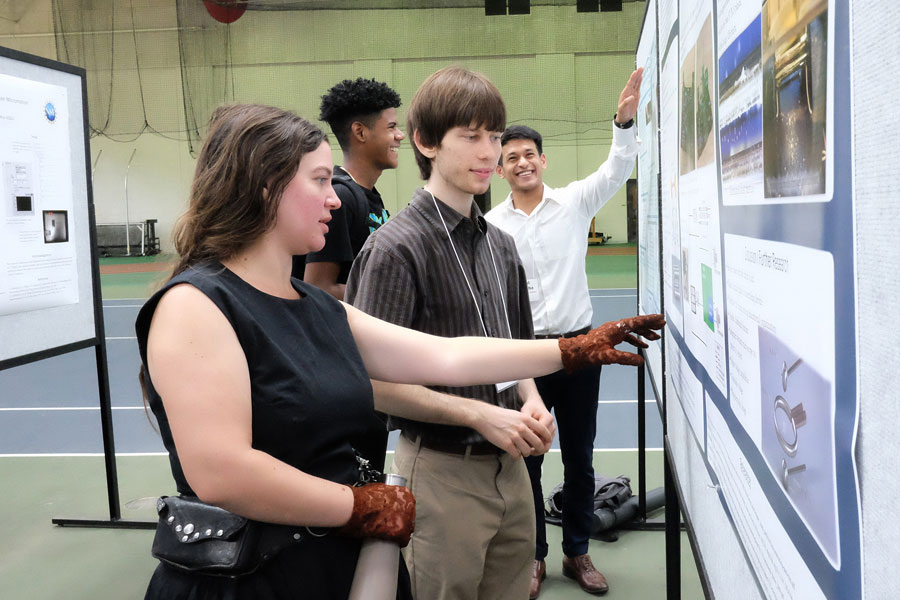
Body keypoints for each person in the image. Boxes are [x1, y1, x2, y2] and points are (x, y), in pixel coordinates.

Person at [136, 102, 663, 600]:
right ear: (264, 188)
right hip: (251, 578)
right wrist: (355, 505)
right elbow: (221, 471)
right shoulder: (195, 305)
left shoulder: (315, 306)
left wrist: (569, 351)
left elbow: (444, 356)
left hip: (329, 560)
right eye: (319, 180)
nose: (336, 198)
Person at [346, 66, 660, 600]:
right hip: (443, 472)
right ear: (426, 142)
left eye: (494, 136)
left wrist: (532, 398)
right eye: (471, 136)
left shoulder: (499, 246)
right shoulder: (396, 249)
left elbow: (514, 354)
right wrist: (477, 413)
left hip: (511, 473)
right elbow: (368, 384)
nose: (490, 151)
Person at [485, 68, 644, 598]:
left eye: (530, 153)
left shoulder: (574, 202)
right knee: (525, 461)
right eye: (512, 157)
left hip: (580, 349)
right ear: (501, 170)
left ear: (543, 160)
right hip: (525, 356)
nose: (523, 161)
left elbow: (620, 166)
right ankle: (533, 557)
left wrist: (623, 121)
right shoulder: (491, 226)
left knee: (580, 456)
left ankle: (578, 552)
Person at [300, 77, 404, 300]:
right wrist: (394, 295)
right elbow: (319, 286)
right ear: (360, 132)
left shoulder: (369, 196)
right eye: (392, 127)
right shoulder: (340, 198)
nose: (400, 135)